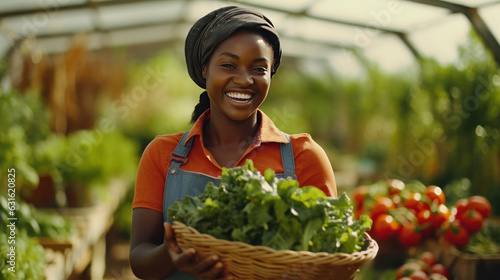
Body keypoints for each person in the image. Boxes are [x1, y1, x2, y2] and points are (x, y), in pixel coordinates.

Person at [129, 6, 337, 280]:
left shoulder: (304, 157)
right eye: (228, 65)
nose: (244, 79)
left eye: (259, 68)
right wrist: (172, 254)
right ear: (205, 70)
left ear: (270, 74)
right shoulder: (162, 154)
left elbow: (330, 257)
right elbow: (139, 258)